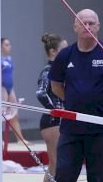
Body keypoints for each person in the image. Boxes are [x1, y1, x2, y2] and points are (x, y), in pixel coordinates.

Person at [49, 9, 103, 182]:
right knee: (64, 176)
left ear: (98, 27)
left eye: (91, 23)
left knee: (99, 178)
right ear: (75, 27)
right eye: (83, 23)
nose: (87, 26)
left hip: (101, 129)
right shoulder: (65, 55)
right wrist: (72, 99)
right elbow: (55, 85)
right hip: (71, 130)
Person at [0, 38, 30, 145]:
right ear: (0, 46)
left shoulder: (9, 58)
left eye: (9, 44)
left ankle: (20, 140)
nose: (10, 46)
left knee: (14, 114)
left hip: (10, 89)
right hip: (1, 89)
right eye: (7, 45)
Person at [36, 33, 67, 182]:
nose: (68, 53)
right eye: (64, 49)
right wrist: (55, 110)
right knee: (56, 163)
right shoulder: (49, 70)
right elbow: (41, 93)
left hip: (58, 119)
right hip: (52, 121)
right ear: (53, 52)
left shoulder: (60, 69)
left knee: (54, 165)